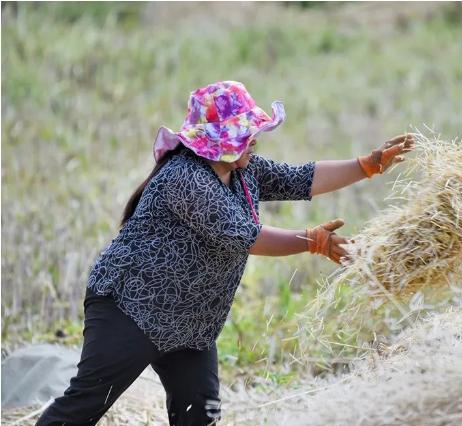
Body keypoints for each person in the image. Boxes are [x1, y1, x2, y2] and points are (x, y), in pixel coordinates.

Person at [36, 80, 414, 426]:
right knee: (83, 407)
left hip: (190, 325)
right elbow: (243, 235)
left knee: (201, 417)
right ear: (219, 141)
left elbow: (301, 178)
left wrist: (367, 165)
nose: (254, 140)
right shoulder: (185, 177)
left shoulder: (242, 171)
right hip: (131, 310)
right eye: (246, 134)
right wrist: (312, 240)